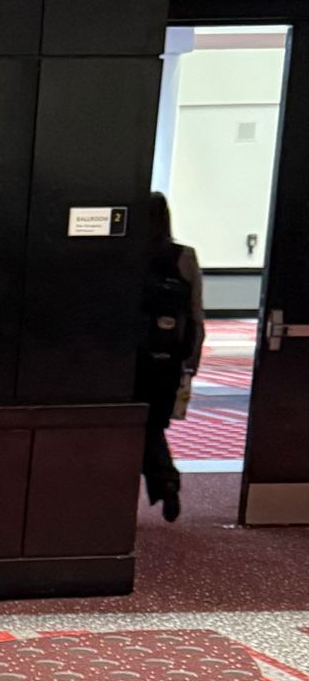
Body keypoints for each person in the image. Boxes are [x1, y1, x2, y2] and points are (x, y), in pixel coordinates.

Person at [137, 190, 205, 522]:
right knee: (150, 425)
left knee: (137, 426)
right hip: (167, 359)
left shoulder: (128, 256)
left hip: (130, 358)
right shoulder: (184, 256)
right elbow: (196, 316)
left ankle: (165, 479)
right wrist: (190, 364)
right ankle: (165, 480)